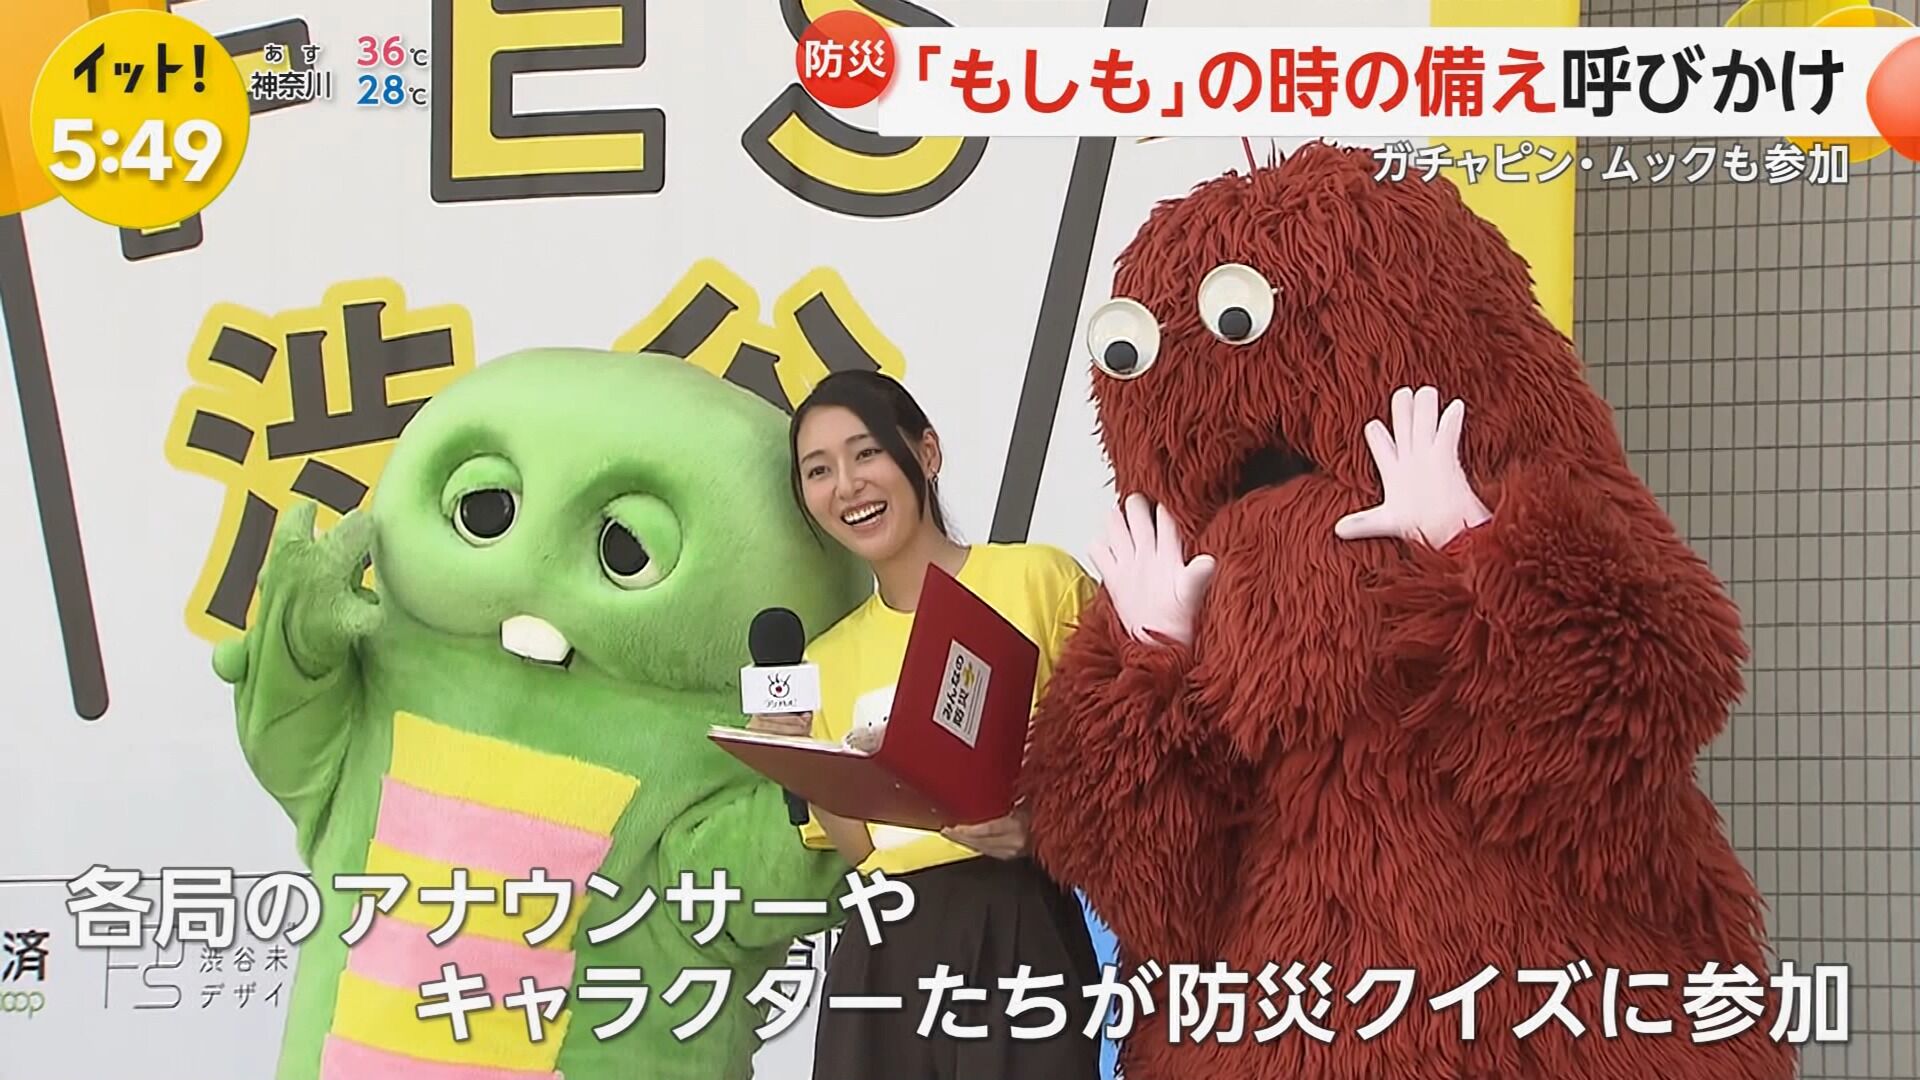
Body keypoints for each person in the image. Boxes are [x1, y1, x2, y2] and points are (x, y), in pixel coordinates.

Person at [747, 369, 1103, 1079]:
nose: (847, 485)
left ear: (927, 453)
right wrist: (803, 761)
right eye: (818, 470)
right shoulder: (824, 658)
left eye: (867, 452)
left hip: (1017, 921)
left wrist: (1039, 827)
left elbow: (1121, 760)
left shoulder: (1037, 581)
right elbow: (862, 848)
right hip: (882, 948)